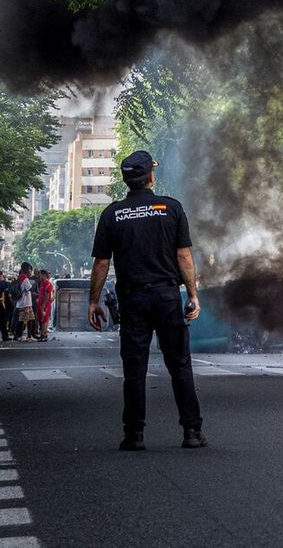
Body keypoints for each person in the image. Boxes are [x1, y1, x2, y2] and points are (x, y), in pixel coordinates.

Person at [88, 150, 204, 451]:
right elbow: (184, 256)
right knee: (179, 365)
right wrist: (191, 294)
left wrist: (94, 302)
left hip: (133, 299)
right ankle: (191, 432)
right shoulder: (171, 208)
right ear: (151, 177)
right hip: (166, 296)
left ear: (127, 180)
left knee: (134, 369)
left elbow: (102, 262)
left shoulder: (112, 214)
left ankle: (134, 435)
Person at [16, 264, 37, 340]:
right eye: (29, 269)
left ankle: (26, 336)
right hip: (25, 303)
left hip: (24, 302)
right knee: (23, 320)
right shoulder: (24, 278)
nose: (30, 271)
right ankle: (20, 336)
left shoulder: (20, 277)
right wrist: (37, 293)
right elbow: (30, 289)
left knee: (29, 319)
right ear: (27, 269)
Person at [36, 270, 55, 342]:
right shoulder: (43, 283)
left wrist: (43, 306)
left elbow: (46, 296)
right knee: (42, 319)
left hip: (45, 304)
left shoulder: (47, 284)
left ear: (44, 275)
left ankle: (43, 335)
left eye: (40, 275)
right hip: (41, 304)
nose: (39, 276)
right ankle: (43, 334)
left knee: (44, 320)